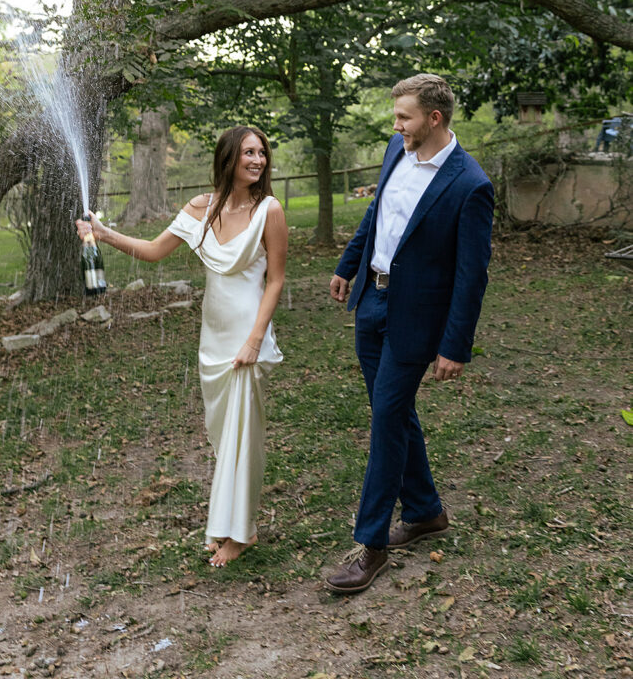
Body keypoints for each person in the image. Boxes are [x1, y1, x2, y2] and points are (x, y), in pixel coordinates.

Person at [76, 126, 287, 568]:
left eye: (262, 153)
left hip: (247, 336)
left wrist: (255, 339)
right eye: (248, 152)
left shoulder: (269, 210)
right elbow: (155, 250)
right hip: (213, 337)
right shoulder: (200, 208)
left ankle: (240, 533)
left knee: (243, 435)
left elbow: (276, 281)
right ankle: (234, 524)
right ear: (228, 158)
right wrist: (105, 234)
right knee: (224, 435)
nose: (258, 160)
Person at [326, 74, 494, 594]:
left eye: (404, 116)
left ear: (434, 118)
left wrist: (454, 345)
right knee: (393, 413)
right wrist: (349, 264)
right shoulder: (394, 150)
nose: (396, 124)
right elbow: (377, 212)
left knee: (387, 420)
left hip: (416, 318)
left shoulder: (470, 185)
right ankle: (425, 511)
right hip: (371, 303)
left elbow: (471, 276)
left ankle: (371, 544)